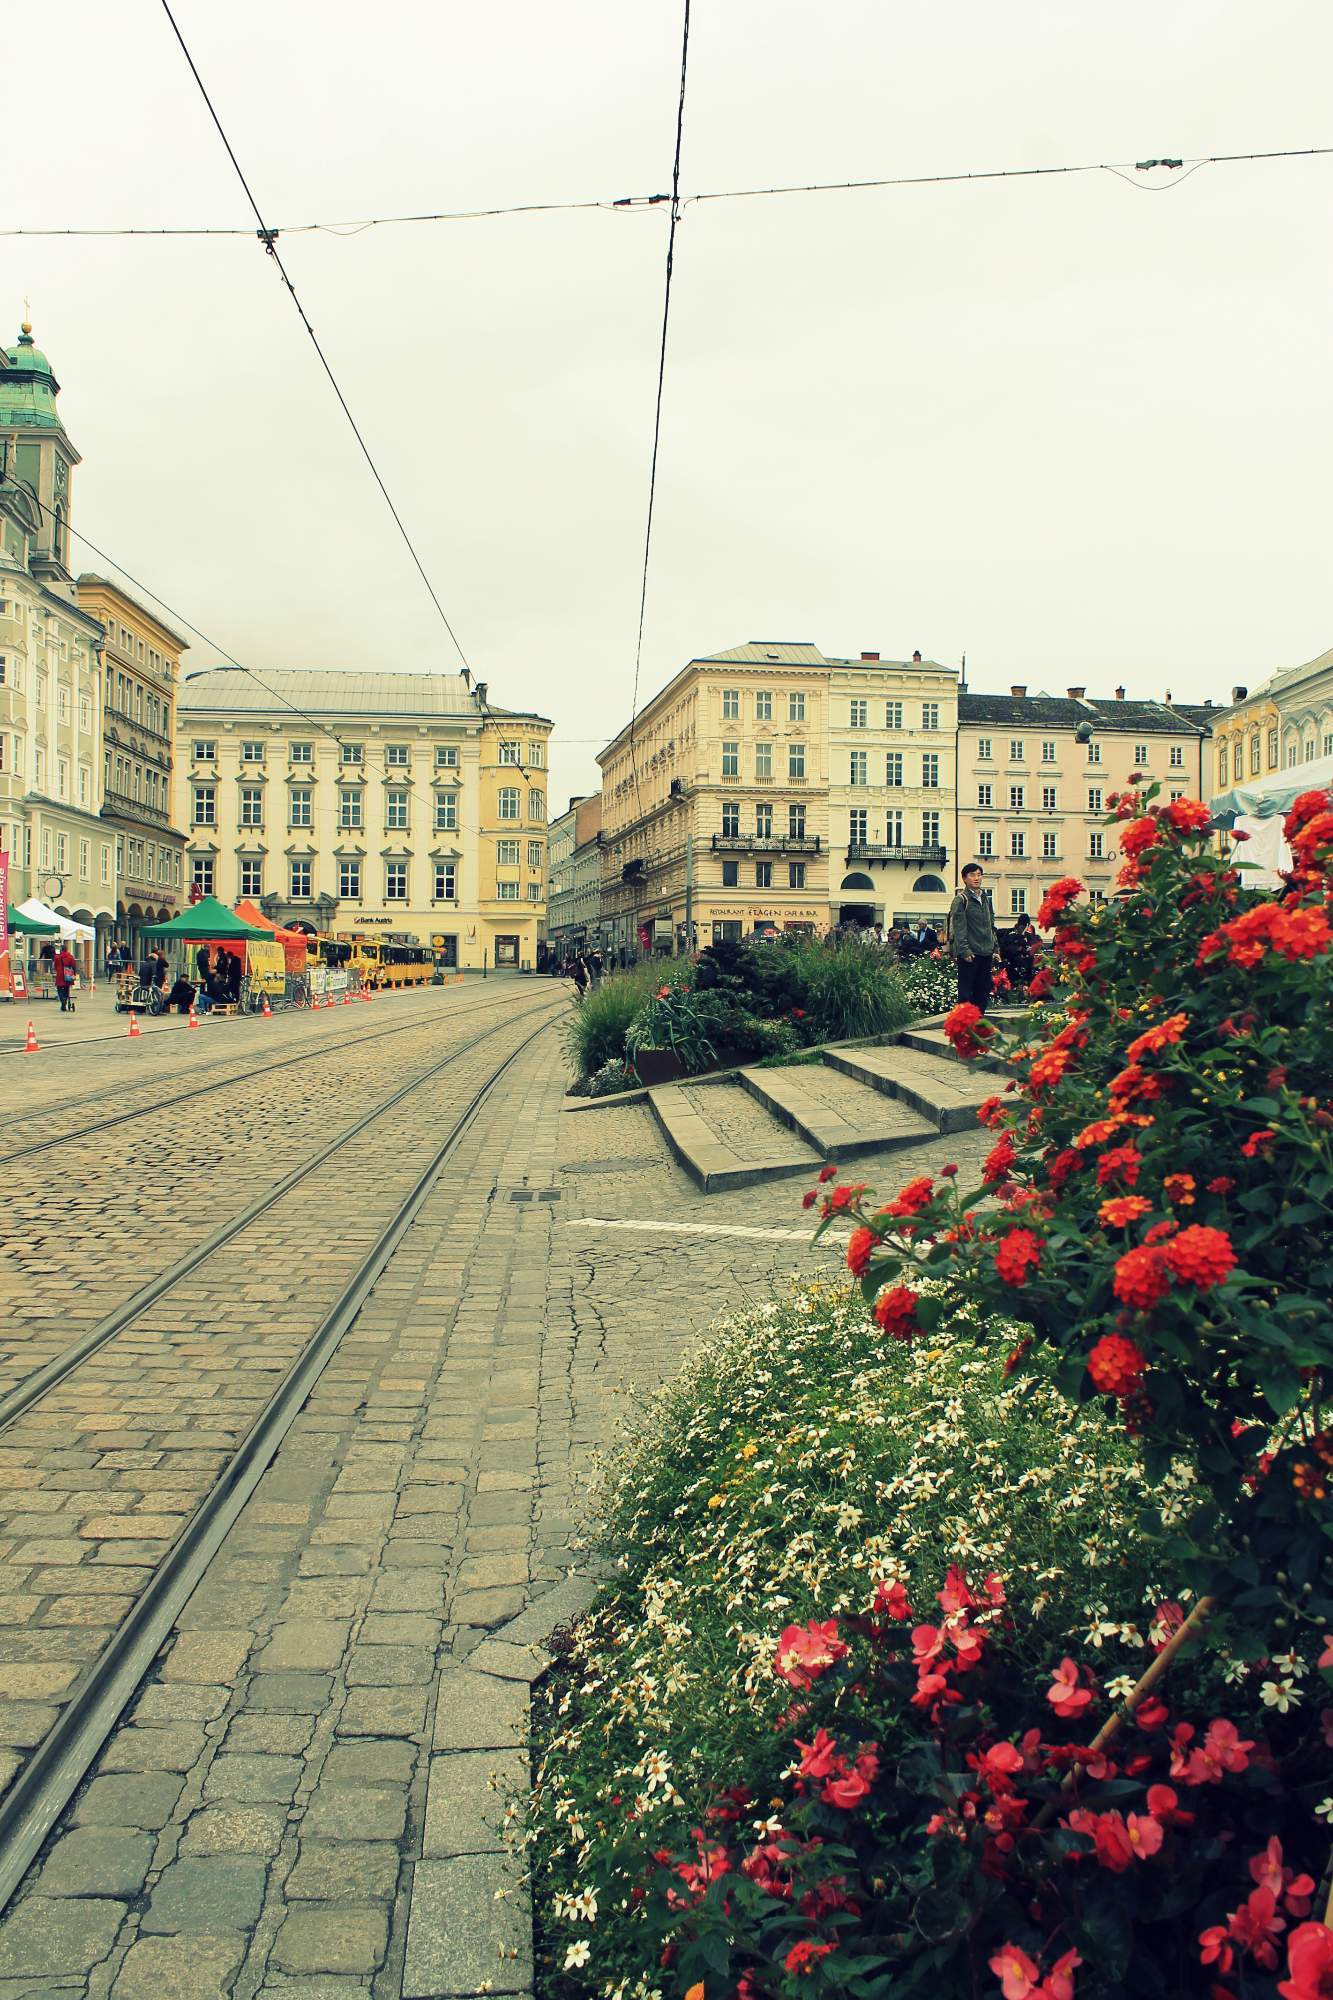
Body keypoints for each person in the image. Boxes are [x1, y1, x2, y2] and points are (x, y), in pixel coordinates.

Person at [948, 863, 998, 1014]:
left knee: (982, 992)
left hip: (986, 952)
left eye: (979, 875)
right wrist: (964, 950)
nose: (976, 878)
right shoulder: (961, 900)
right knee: (966, 993)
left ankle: (978, 1024)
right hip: (970, 953)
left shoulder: (986, 898)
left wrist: (995, 948)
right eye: (972, 875)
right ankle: (964, 1025)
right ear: (964, 879)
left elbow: (991, 925)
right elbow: (959, 928)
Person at [1000, 912, 1038, 995]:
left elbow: (1033, 945)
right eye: (1022, 926)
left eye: (1025, 926)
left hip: (1026, 963)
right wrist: (1019, 948)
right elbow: (1006, 949)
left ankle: (1027, 988)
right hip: (1013, 962)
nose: (1023, 928)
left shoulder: (1029, 934)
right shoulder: (1011, 934)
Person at [52, 942, 78, 1013]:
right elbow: (73, 966)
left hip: (60, 974)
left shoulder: (57, 957)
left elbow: (55, 966)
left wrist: (57, 970)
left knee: (59, 989)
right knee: (66, 989)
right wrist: (74, 974)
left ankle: (62, 1000)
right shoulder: (70, 957)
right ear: (67, 949)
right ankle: (65, 1000)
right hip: (67, 974)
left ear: (61, 949)